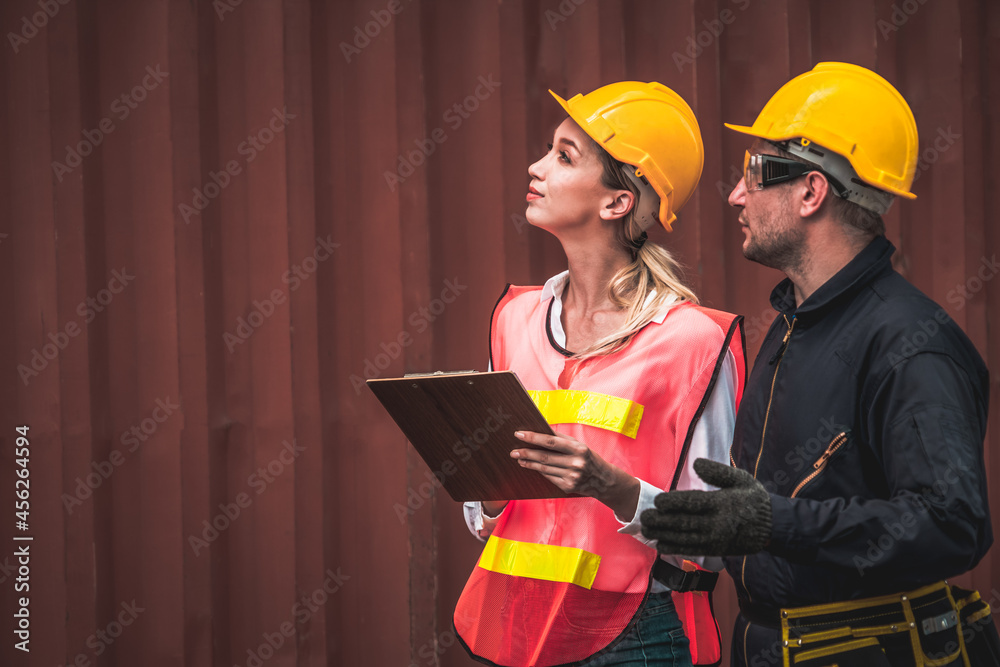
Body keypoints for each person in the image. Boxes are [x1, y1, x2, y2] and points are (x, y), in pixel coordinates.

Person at [640, 62, 997, 667]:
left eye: (754, 173)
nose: (735, 194)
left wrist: (774, 522)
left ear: (811, 192)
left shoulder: (910, 342)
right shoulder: (791, 325)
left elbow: (952, 523)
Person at [452, 81, 747, 667]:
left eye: (564, 157)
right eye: (549, 149)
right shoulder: (515, 318)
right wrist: (476, 478)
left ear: (617, 203)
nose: (536, 167)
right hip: (516, 626)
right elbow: (485, 521)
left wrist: (613, 489)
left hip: (639, 636)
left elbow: (718, 541)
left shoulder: (690, 341)